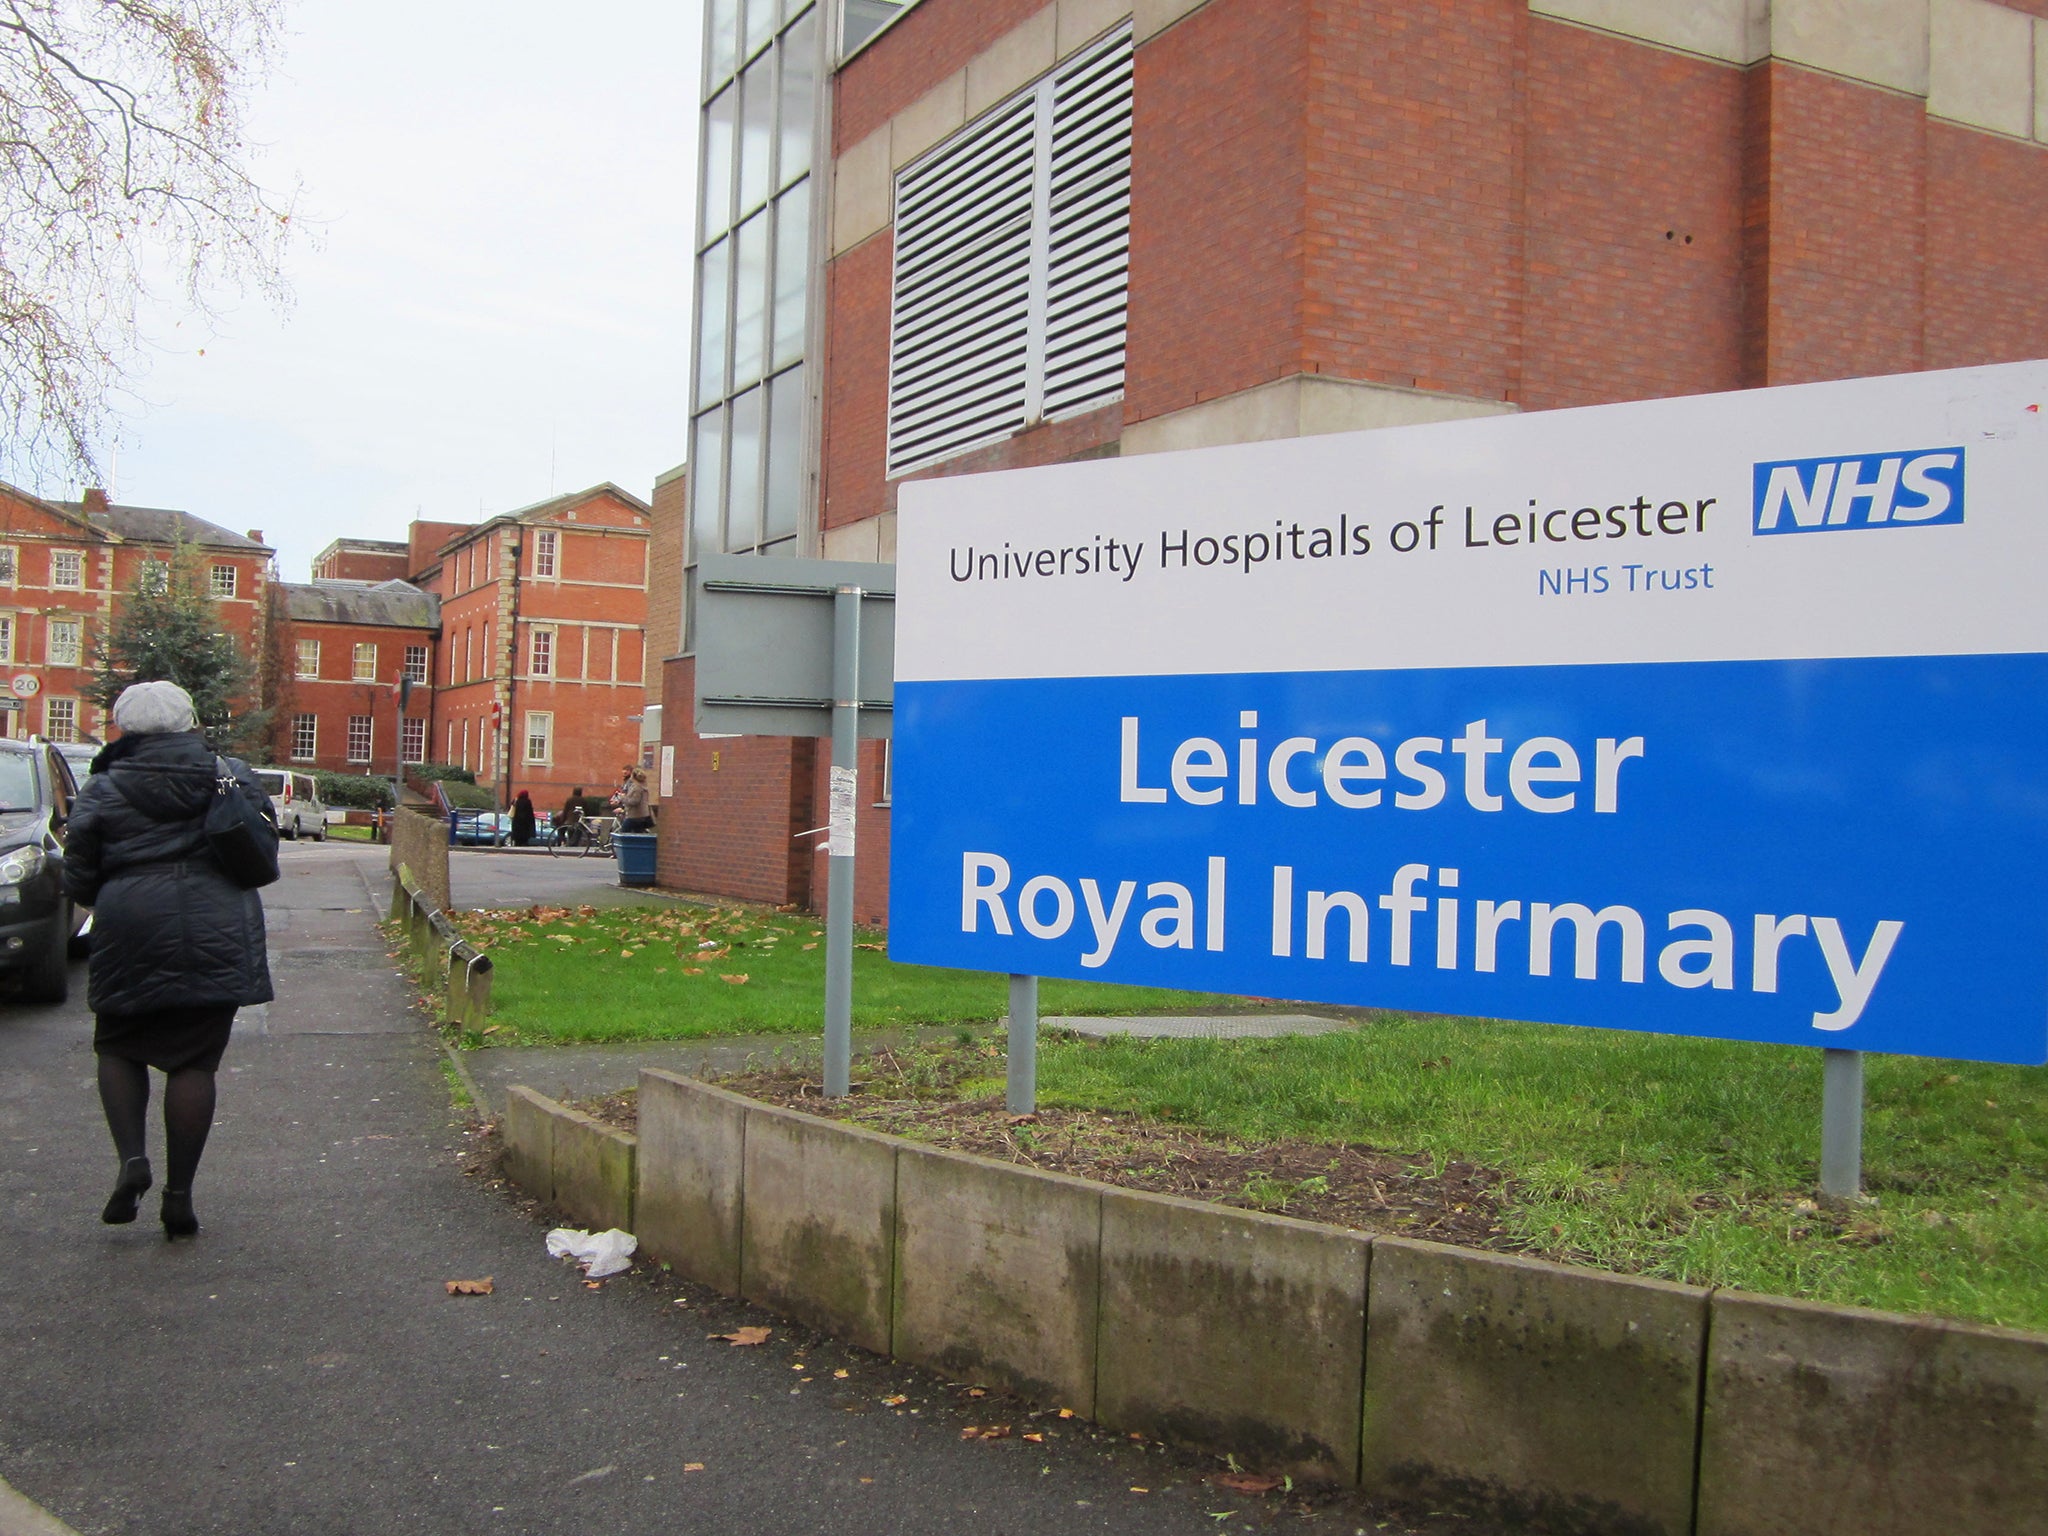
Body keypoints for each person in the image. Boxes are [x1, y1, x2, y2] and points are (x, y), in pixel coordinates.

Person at [62, 681, 277, 1240]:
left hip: (130, 922)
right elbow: (262, 845)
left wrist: (106, 897)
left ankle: (133, 1160)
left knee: (118, 1043)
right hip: (216, 923)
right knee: (194, 1062)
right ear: (190, 722)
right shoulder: (228, 773)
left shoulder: (104, 784)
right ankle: (179, 1197)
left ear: (124, 728)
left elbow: (80, 870)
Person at [618, 767, 653, 832]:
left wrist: (623, 798)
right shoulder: (643, 787)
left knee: (623, 834)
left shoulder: (637, 788)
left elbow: (634, 801)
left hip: (634, 816)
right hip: (642, 816)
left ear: (633, 776)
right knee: (638, 835)